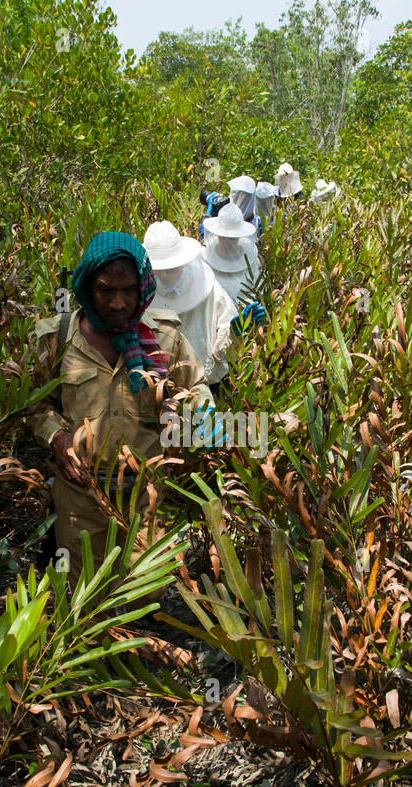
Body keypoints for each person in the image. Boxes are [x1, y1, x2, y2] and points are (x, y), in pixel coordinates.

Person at [30, 231, 214, 584]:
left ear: (142, 286)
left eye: (128, 290)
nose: (117, 303)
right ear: (87, 286)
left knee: (144, 592)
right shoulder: (58, 337)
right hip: (80, 497)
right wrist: (55, 436)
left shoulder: (164, 338)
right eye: (105, 290)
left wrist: (187, 417)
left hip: (145, 494)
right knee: (84, 593)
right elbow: (33, 404)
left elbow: (199, 390)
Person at [142, 220, 236, 398]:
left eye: (171, 270)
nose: (165, 276)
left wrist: (234, 333)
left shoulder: (208, 287)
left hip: (209, 384)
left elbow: (225, 345)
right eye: (159, 271)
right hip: (165, 387)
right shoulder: (141, 293)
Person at [202, 201, 260, 306]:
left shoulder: (251, 259)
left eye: (232, 238)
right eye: (224, 237)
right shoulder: (204, 256)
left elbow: (258, 289)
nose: (227, 242)